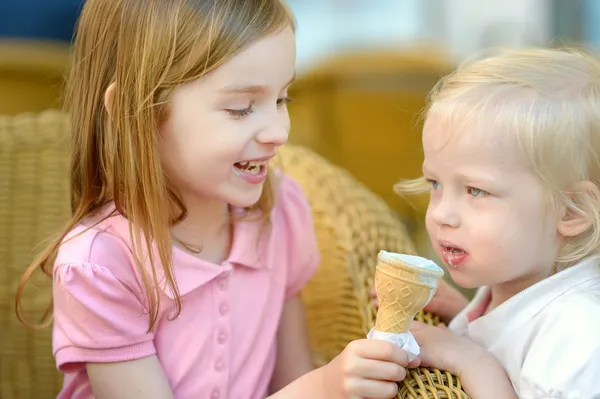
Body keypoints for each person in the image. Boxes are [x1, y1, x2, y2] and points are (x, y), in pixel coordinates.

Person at [15, 1, 419, 398]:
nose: (278, 130)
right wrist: (323, 387)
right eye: (241, 108)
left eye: (282, 99)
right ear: (132, 114)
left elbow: (290, 377)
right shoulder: (101, 265)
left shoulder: (279, 212)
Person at [390, 47, 600, 398]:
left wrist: (471, 360)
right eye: (436, 184)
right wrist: (466, 316)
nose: (441, 213)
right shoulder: (516, 278)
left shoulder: (579, 336)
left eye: (476, 191)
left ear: (571, 211)